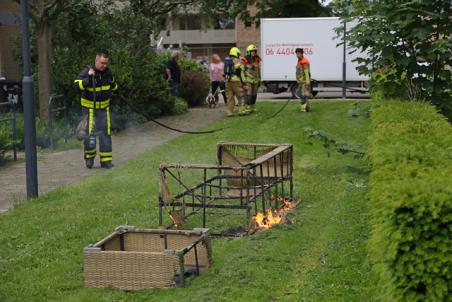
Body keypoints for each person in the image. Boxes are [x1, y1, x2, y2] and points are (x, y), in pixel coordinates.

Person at [74, 51, 118, 169]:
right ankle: (89, 159)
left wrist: (115, 90)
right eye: (102, 63)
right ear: (96, 60)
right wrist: (88, 78)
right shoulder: (87, 72)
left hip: (104, 110)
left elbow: (114, 85)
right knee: (89, 135)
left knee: (105, 135)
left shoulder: (108, 73)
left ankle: (106, 161)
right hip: (89, 110)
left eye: (106, 63)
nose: (104, 65)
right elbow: (76, 86)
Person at [224, 47, 247, 116]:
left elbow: (224, 73)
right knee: (240, 95)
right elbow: (241, 73)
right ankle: (242, 110)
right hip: (236, 81)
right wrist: (244, 83)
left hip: (228, 81)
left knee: (230, 97)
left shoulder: (227, 61)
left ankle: (229, 111)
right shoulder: (238, 61)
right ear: (236, 53)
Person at [242, 44, 261, 113]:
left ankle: (253, 106)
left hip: (255, 80)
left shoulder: (257, 59)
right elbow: (243, 70)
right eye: (252, 51)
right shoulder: (244, 60)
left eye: (254, 51)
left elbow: (258, 70)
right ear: (248, 52)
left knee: (254, 94)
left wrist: (259, 80)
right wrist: (244, 81)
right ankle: (247, 107)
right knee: (248, 94)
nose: (253, 53)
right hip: (248, 80)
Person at [295, 48, 312, 112]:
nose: (297, 55)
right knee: (300, 95)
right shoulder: (299, 61)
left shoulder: (304, 61)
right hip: (300, 82)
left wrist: (307, 82)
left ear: (302, 54)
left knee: (304, 96)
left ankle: (304, 109)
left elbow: (306, 72)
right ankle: (305, 107)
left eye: (298, 53)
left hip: (304, 82)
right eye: (296, 53)